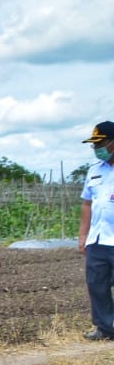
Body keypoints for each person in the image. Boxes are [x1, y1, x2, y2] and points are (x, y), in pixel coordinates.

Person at [79, 121, 114, 341]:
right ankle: (105, 328)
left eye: (99, 143)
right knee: (97, 284)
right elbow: (87, 204)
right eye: (93, 144)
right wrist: (83, 236)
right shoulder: (94, 171)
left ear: (112, 143)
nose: (96, 148)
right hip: (98, 238)